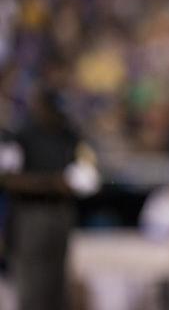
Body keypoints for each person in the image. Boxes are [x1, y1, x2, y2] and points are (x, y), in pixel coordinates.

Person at [0, 87, 100, 310]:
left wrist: (74, 183)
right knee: (32, 281)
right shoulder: (22, 135)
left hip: (61, 212)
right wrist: (50, 183)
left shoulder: (69, 134)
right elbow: (7, 178)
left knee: (57, 281)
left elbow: (88, 172)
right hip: (30, 214)